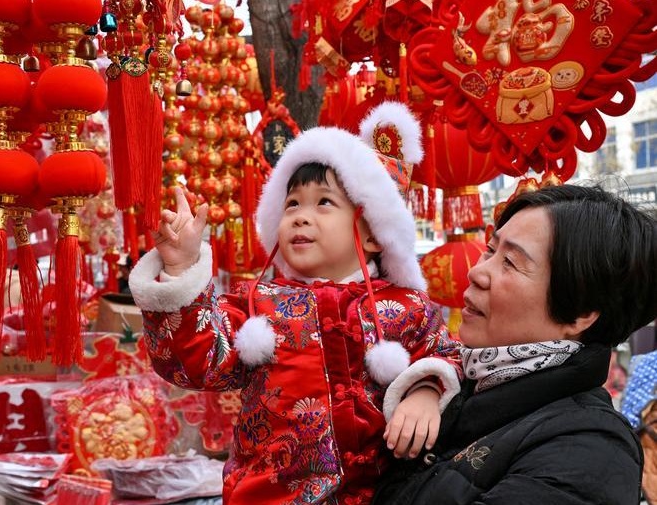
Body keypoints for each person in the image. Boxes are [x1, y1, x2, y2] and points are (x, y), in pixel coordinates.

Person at [129, 102, 462, 504]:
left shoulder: (408, 306)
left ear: (374, 232)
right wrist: (180, 268)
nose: (301, 217)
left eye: (324, 202)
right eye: (292, 204)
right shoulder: (256, 304)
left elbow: (447, 355)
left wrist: (425, 389)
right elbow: (194, 362)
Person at [373, 184, 657, 505]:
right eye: (490, 250)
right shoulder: (451, 382)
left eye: (510, 261)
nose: (477, 272)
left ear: (581, 313)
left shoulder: (591, 454)